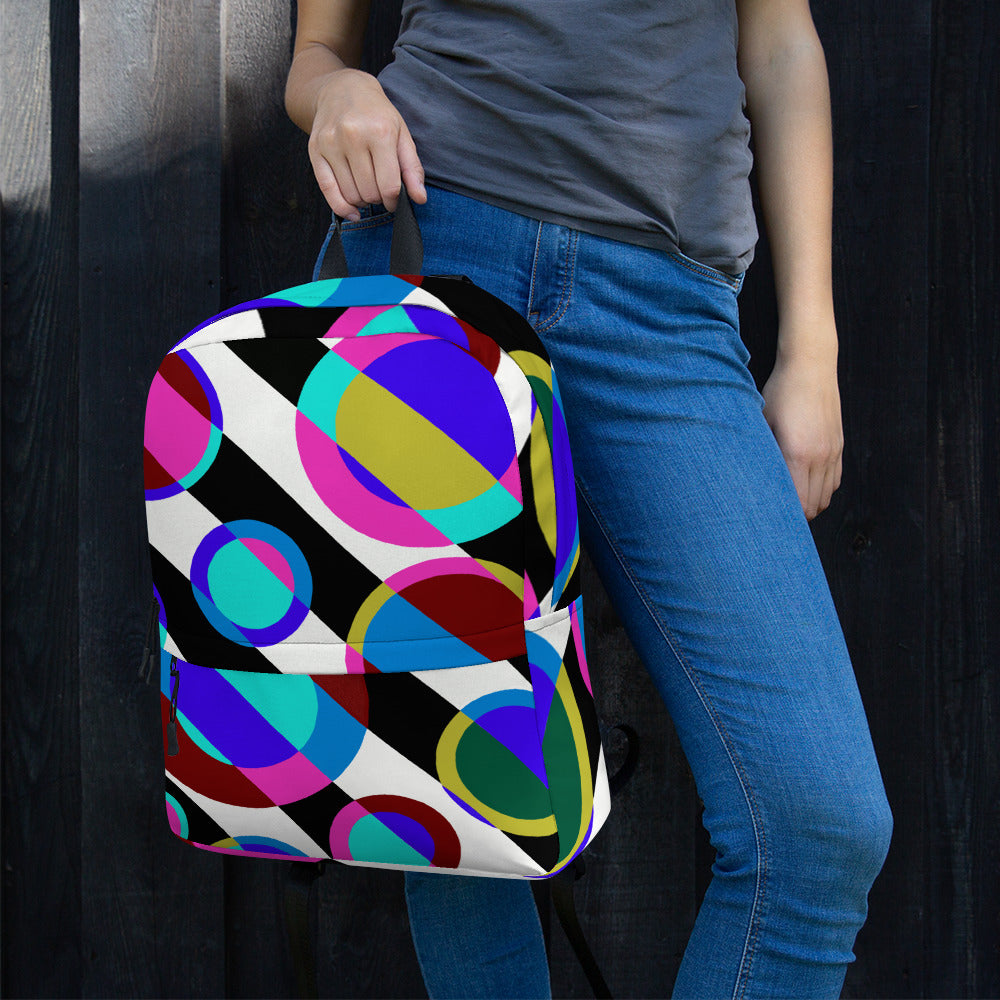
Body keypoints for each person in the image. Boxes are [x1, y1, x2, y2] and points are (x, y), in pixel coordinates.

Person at [284, 0, 894, 996]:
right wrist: (337, 92)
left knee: (819, 824)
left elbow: (781, 41)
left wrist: (812, 349)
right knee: (451, 810)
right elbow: (316, 55)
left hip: (670, 317)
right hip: (437, 256)